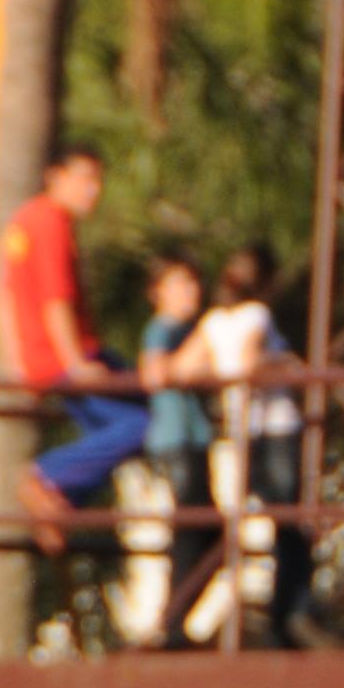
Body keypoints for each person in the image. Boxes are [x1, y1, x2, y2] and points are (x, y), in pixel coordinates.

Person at [3, 144, 144, 548]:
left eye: (97, 180)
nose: (93, 190)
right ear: (56, 177)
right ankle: (47, 478)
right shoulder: (50, 223)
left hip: (47, 359)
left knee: (123, 424)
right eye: (84, 178)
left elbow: (6, 296)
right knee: (145, 422)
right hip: (66, 358)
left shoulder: (24, 220)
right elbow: (55, 301)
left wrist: (19, 363)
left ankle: (57, 500)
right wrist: (76, 364)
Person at [193, 245, 315, 646]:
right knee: (289, 523)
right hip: (272, 426)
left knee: (262, 522)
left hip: (241, 425)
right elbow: (248, 364)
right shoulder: (256, 316)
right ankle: (290, 612)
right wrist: (286, 366)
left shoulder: (213, 322)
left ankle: (280, 612)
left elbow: (184, 366)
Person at [137, 258, 219, 648]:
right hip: (177, 440)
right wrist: (189, 360)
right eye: (180, 284)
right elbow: (155, 373)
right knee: (193, 529)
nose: (191, 293)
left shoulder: (182, 331)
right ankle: (173, 622)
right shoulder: (165, 330)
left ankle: (176, 617)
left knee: (210, 532)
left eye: (193, 284)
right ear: (159, 292)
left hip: (193, 439)